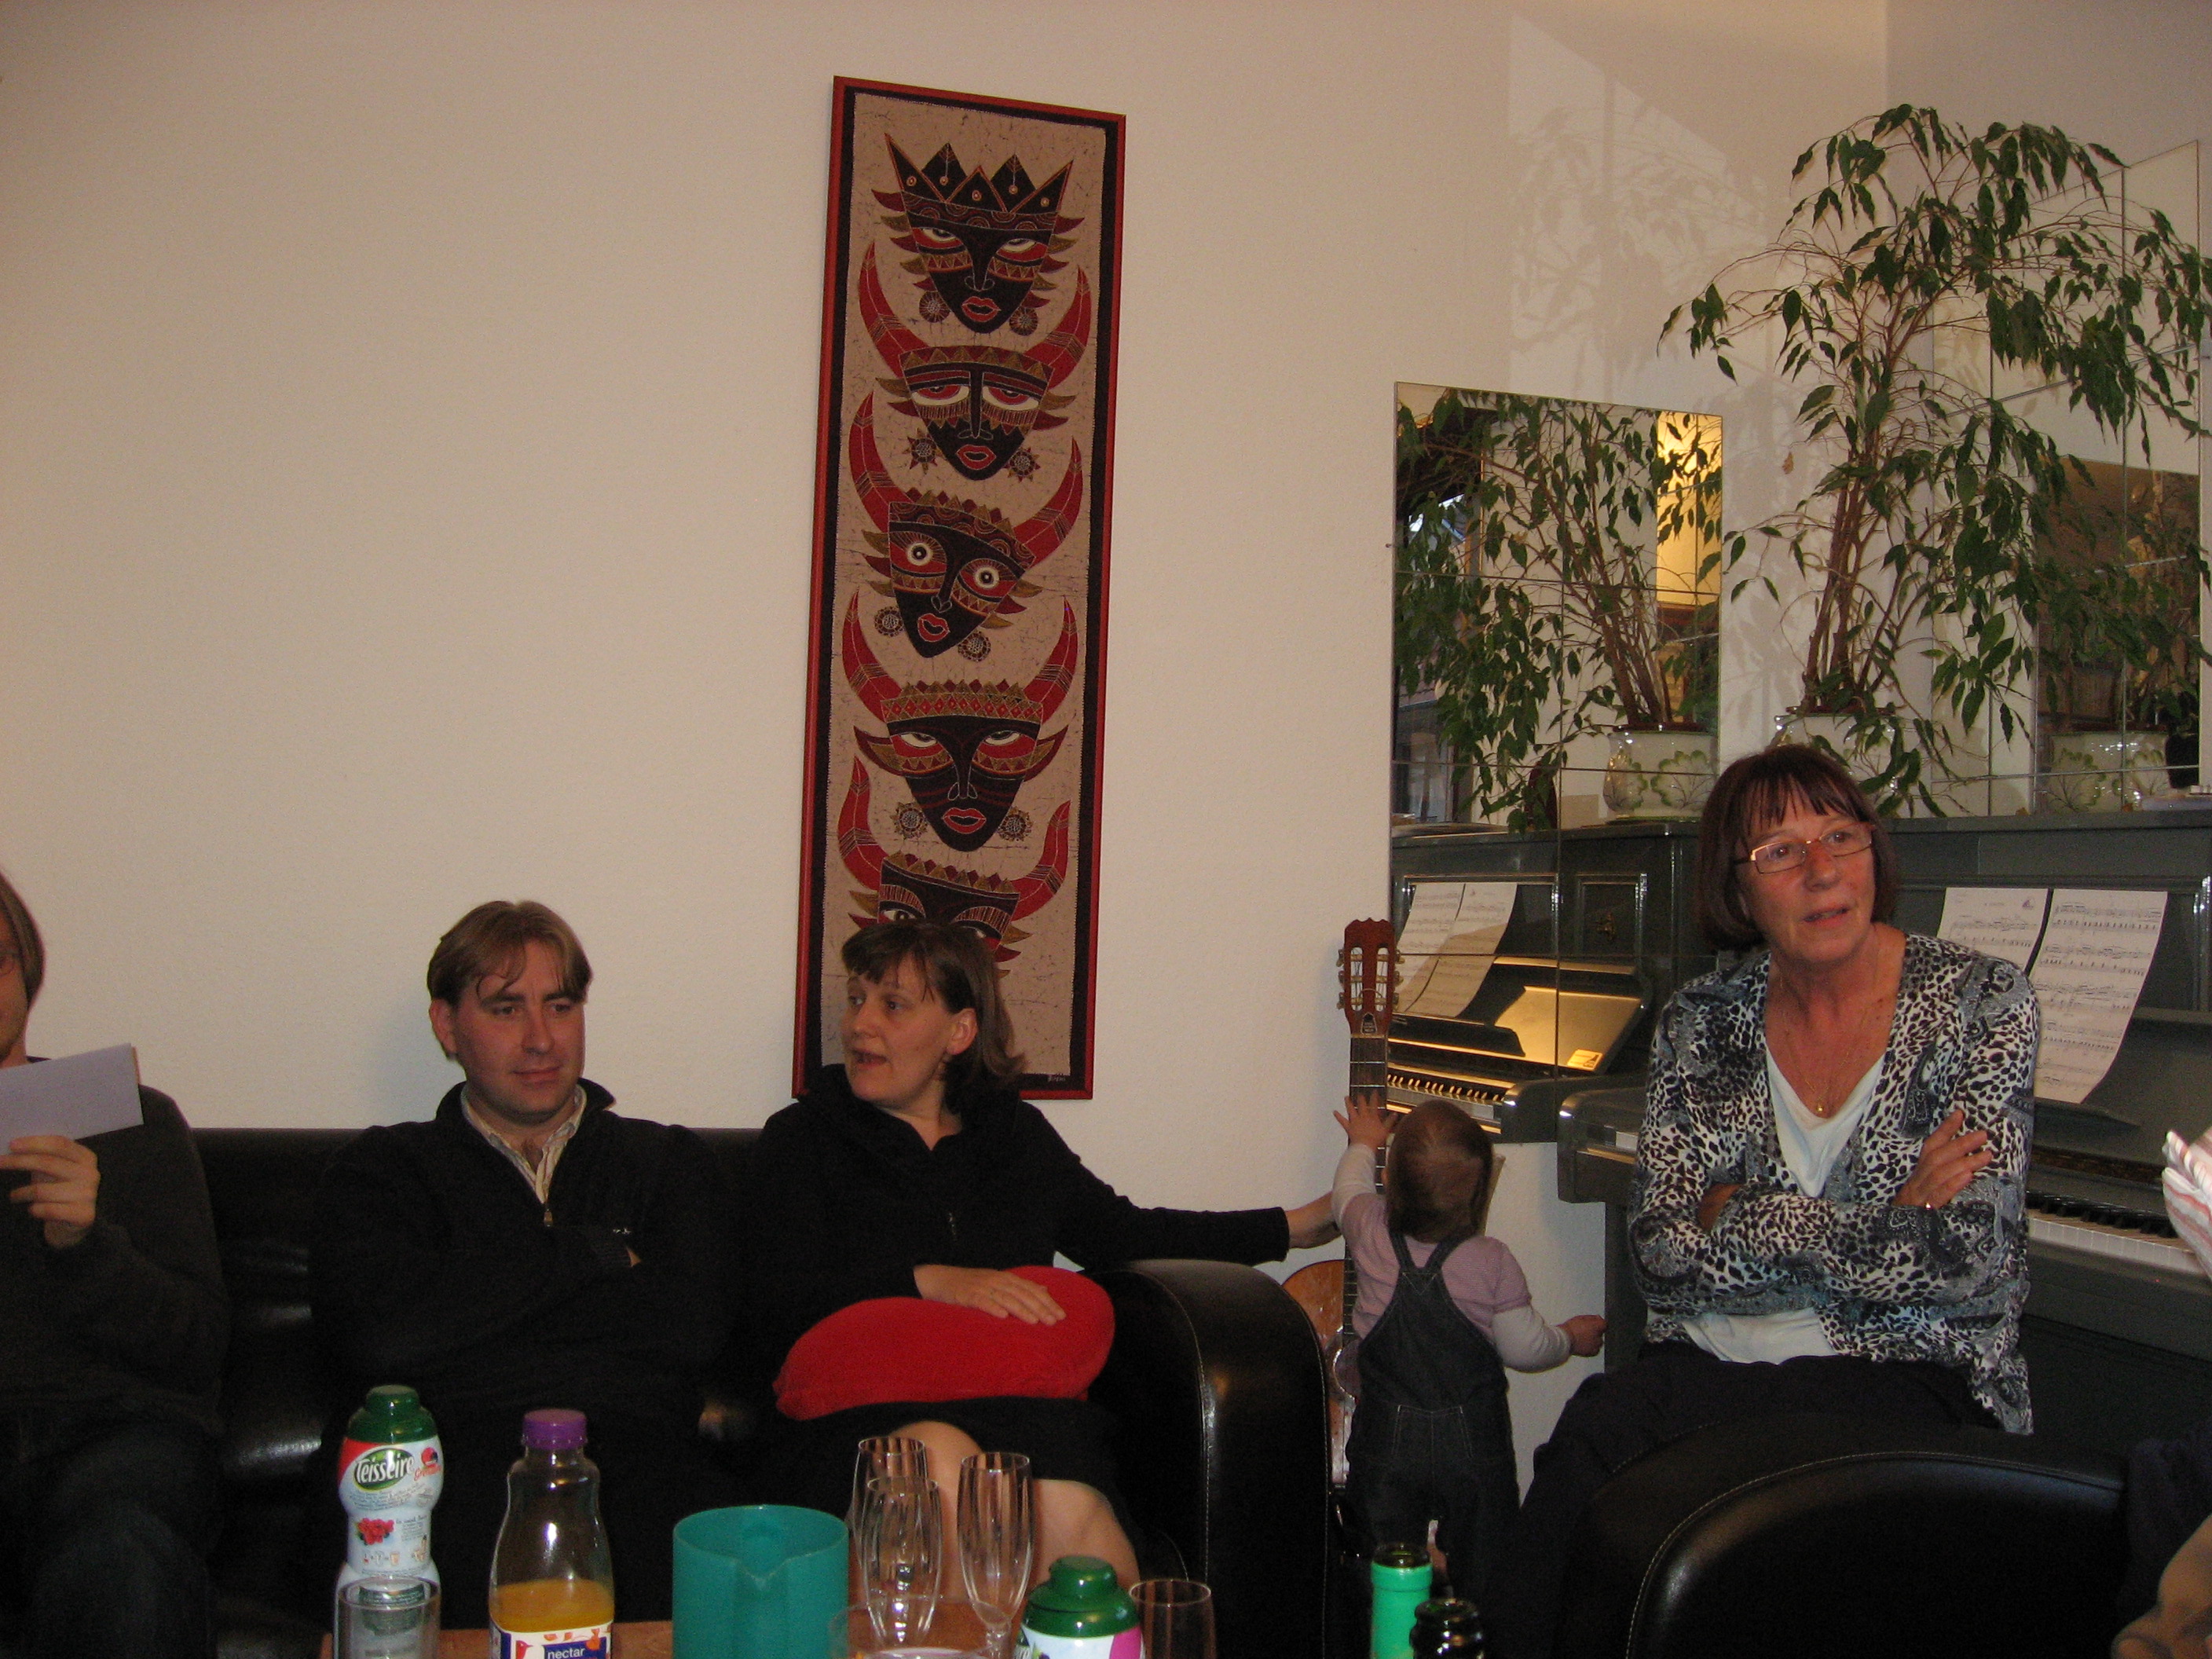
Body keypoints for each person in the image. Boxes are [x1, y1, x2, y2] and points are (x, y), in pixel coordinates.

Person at [1485, 744, 2038, 1659]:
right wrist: (1890, 1219)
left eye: (1838, 836)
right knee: (1592, 1433)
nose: (1821, 870)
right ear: (1737, 890)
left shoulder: (1980, 1003)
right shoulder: (1702, 1020)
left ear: (1871, 849)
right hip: (1714, 1357)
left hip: (1908, 1372)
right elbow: (1660, 1255)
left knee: (1715, 1481)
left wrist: (1739, 1215)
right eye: (1779, 851)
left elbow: (1966, 1259)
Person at [739, 920, 1338, 1583]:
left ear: (959, 1032)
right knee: (941, 1466)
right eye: (856, 999)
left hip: (1018, 1408)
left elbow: (1129, 1235)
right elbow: (772, 1302)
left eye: (893, 1005)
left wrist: (1296, 1226)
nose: (860, 1024)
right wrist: (929, 1280)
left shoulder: (1014, 1137)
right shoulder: (801, 1139)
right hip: (854, 1417)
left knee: (1070, 1508)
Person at [310, 900, 734, 1627]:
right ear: (447, 1026)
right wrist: (595, 1252)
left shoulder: (665, 1162)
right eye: (506, 1009)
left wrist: (471, 1308)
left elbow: (694, 1331)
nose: (541, 1039)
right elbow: (381, 1340)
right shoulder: (383, 1171)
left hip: (633, 1467)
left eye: (560, 1006)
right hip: (445, 1476)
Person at [0, 865, 229, 1659]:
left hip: (118, 1435)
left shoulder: (131, 1122)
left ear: (27, 971)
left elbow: (198, 1348)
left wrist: (86, 1247)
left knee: (120, 1549)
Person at [1334, 1097, 1602, 1597]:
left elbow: (1346, 1189)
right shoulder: (1491, 1260)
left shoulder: (1367, 1226)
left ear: (1390, 1181)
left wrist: (1364, 1144)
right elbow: (1524, 1349)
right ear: (1481, 1191)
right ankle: (1478, 1624)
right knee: (1487, 1566)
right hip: (1474, 1446)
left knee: (1384, 1567)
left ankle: (1390, 1629)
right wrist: (1569, 1337)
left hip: (1386, 1442)